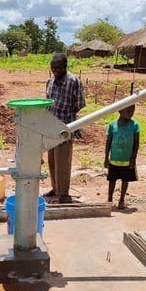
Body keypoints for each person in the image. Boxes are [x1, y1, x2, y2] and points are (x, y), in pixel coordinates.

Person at [43, 53, 86, 204]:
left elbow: (80, 103)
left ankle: (64, 194)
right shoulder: (50, 81)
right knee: (52, 160)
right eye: (52, 68)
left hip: (65, 127)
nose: (55, 71)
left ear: (65, 67)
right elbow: (46, 102)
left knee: (63, 162)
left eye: (57, 68)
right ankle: (55, 188)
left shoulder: (73, 81)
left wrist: (70, 119)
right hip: (50, 126)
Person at [104, 104, 140, 209]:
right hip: (114, 160)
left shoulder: (134, 125)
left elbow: (136, 143)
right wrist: (106, 157)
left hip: (127, 160)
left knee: (125, 180)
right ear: (119, 110)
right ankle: (109, 199)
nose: (131, 113)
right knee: (112, 180)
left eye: (133, 110)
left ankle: (122, 199)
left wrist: (133, 158)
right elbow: (108, 142)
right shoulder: (112, 125)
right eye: (128, 110)